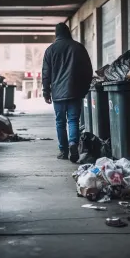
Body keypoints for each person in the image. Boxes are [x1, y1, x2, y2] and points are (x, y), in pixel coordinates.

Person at [42, 23, 93, 162]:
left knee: (60, 122)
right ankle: (73, 144)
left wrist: (46, 92)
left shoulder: (50, 50)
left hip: (58, 93)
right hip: (75, 91)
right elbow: (88, 70)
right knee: (73, 120)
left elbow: (46, 74)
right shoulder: (78, 47)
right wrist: (84, 88)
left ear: (56, 34)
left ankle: (63, 151)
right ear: (68, 32)